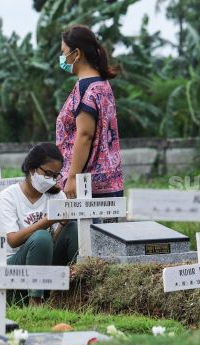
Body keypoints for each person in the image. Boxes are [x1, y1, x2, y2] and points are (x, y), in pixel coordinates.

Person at [0, 143, 78, 306]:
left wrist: (61, 224)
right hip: (15, 262)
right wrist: (46, 222)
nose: (51, 180)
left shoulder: (57, 196)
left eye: (55, 176)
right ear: (32, 168)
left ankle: (77, 291)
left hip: (43, 261)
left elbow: (52, 241)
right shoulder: (9, 196)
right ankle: (35, 302)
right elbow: (12, 240)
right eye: (47, 173)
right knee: (41, 237)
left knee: (72, 228)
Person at [56, 25, 124, 209]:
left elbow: (85, 136)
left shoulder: (86, 88)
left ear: (76, 54)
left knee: (85, 237)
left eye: (64, 52)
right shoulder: (103, 84)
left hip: (86, 187)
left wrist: (72, 177)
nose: (62, 58)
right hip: (110, 181)